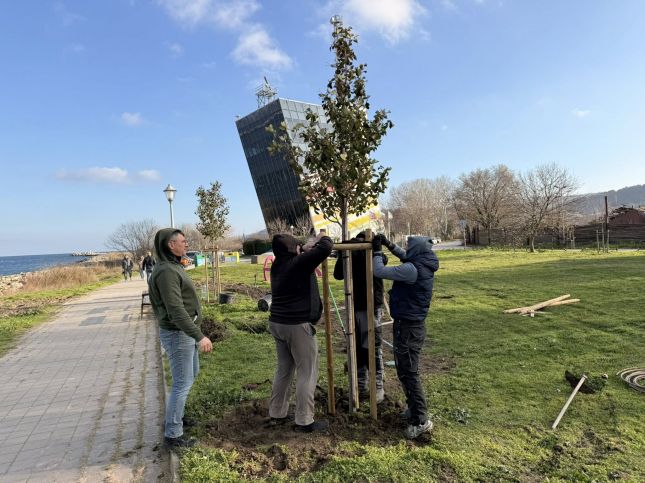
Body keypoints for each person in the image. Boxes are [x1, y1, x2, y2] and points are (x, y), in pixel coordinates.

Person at [148, 228, 213, 449]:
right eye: (183, 241)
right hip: (179, 334)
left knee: (190, 375)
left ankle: (176, 416)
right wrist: (199, 336)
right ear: (170, 245)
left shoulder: (173, 266)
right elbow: (175, 310)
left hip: (184, 332)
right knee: (182, 382)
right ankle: (173, 435)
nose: (186, 244)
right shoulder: (166, 271)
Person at [372, 234, 439, 439]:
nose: (406, 249)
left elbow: (378, 271)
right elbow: (405, 256)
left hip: (409, 328)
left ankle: (421, 420)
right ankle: (413, 409)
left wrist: (377, 251)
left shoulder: (411, 270)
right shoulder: (422, 261)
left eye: (409, 246)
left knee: (409, 372)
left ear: (416, 249)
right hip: (410, 325)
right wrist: (389, 244)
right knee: (404, 369)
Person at [268, 231, 333, 433]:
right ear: (294, 249)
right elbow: (326, 247)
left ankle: (277, 412)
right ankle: (305, 421)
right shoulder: (298, 264)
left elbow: (299, 254)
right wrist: (322, 236)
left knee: (284, 369)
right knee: (307, 372)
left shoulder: (278, 265)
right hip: (297, 326)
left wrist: (302, 248)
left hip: (277, 323)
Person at [333, 231, 387, 403]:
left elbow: (383, 261)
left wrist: (363, 249)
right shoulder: (353, 253)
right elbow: (338, 274)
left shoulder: (370, 253)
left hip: (368, 305)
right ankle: (363, 386)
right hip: (356, 304)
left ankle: (375, 386)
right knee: (360, 346)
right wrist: (344, 252)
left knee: (370, 345)